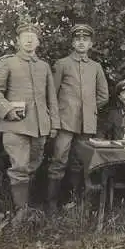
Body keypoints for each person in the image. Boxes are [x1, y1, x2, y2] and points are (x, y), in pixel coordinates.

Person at [0, 16, 60, 226]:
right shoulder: (8, 62)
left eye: (33, 37)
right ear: (17, 41)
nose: (29, 41)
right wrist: (7, 111)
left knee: (33, 166)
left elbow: (51, 98)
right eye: (25, 37)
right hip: (16, 125)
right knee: (19, 167)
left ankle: (28, 205)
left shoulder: (44, 66)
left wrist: (54, 123)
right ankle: (21, 212)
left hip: (40, 127)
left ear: (38, 42)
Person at [46, 21, 109, 214]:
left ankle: (74, 201)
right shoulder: (62, 64)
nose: (81, 42)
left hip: (86, 124)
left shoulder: (96, 67)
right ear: (73, 43)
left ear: (91, 44)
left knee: (80, 162)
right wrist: (60, 115)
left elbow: (103, 95)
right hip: (65, 122)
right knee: (59, 161)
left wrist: (88, 109)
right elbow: (51, 95)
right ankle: (51, 205)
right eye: (78, 39)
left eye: (86, 39)